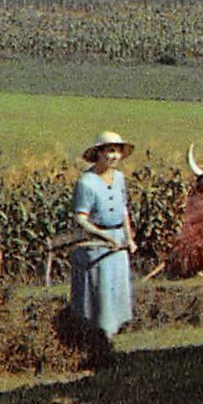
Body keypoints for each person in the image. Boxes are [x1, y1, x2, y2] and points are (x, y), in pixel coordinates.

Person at [69, 130, 138, 341]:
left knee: (117, 289)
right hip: (98, 245)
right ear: (98, 153)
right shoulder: (87, 183)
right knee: (100, 293)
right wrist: (106, 238)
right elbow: (81, 219)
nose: (114, 156)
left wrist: (129, 238)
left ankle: (112, 335)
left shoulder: (119, 179)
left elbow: (123, 209)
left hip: (118, 243)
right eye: (109, 151)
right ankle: (97, 338)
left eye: (117, 151)